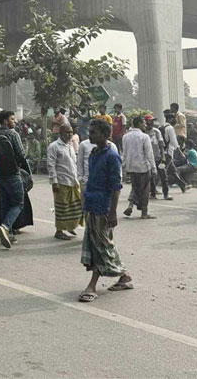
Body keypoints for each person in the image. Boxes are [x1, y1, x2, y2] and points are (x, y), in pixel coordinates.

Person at [78, 119, 133, 303]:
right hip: (91, 203)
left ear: (105, 134)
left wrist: (113, 212)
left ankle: (92, 285)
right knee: (100, 244)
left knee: (101, 245)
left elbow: (116, 186)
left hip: (104, 205)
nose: (90, 135)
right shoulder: (93, 153)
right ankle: (124, 276)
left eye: (93, 132)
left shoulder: (112, 156)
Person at [0, 110, 30, 249]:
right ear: (5, 121)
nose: (14, 121)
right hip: (13, 173)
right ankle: (5, 226)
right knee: (18, 203)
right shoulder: (13, 134)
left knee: (5, 203)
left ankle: (8, 233)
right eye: (12, 119)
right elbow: (21, 154)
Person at [47, 125, 84, 240]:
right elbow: (51, 164)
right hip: (61, 182)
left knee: (75, 206)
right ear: (61, 133)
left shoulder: (71, 146)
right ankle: (59, 231)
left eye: (71, 132)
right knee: (62, 207)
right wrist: (54, 181)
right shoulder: (54, 146)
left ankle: (70, 226)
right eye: (67, 132)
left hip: (73, 181)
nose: (69, 134)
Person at [121, 115, 156, 219]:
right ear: (140, 124)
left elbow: (124, 153)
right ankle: (144, 213)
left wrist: (124, 166)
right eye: (144, 123)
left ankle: (131, 205)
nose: (145, 125)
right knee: (145, 189)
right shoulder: (144, 137)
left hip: (131, 167)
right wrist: (153, 168)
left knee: (135, 186)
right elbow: (149, 154)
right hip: (143, 167)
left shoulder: (126, 136)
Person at [145, 115, 170, 201]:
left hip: (158, 157)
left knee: (163, 176)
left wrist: (163, 156)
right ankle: (152, 193)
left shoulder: (156, 131)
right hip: (148, 159)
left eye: (152, 121)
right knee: (151, 177)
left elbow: (161, 145)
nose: (151, 122)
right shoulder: (143, 133)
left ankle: (166, 194)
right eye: (150, 121)